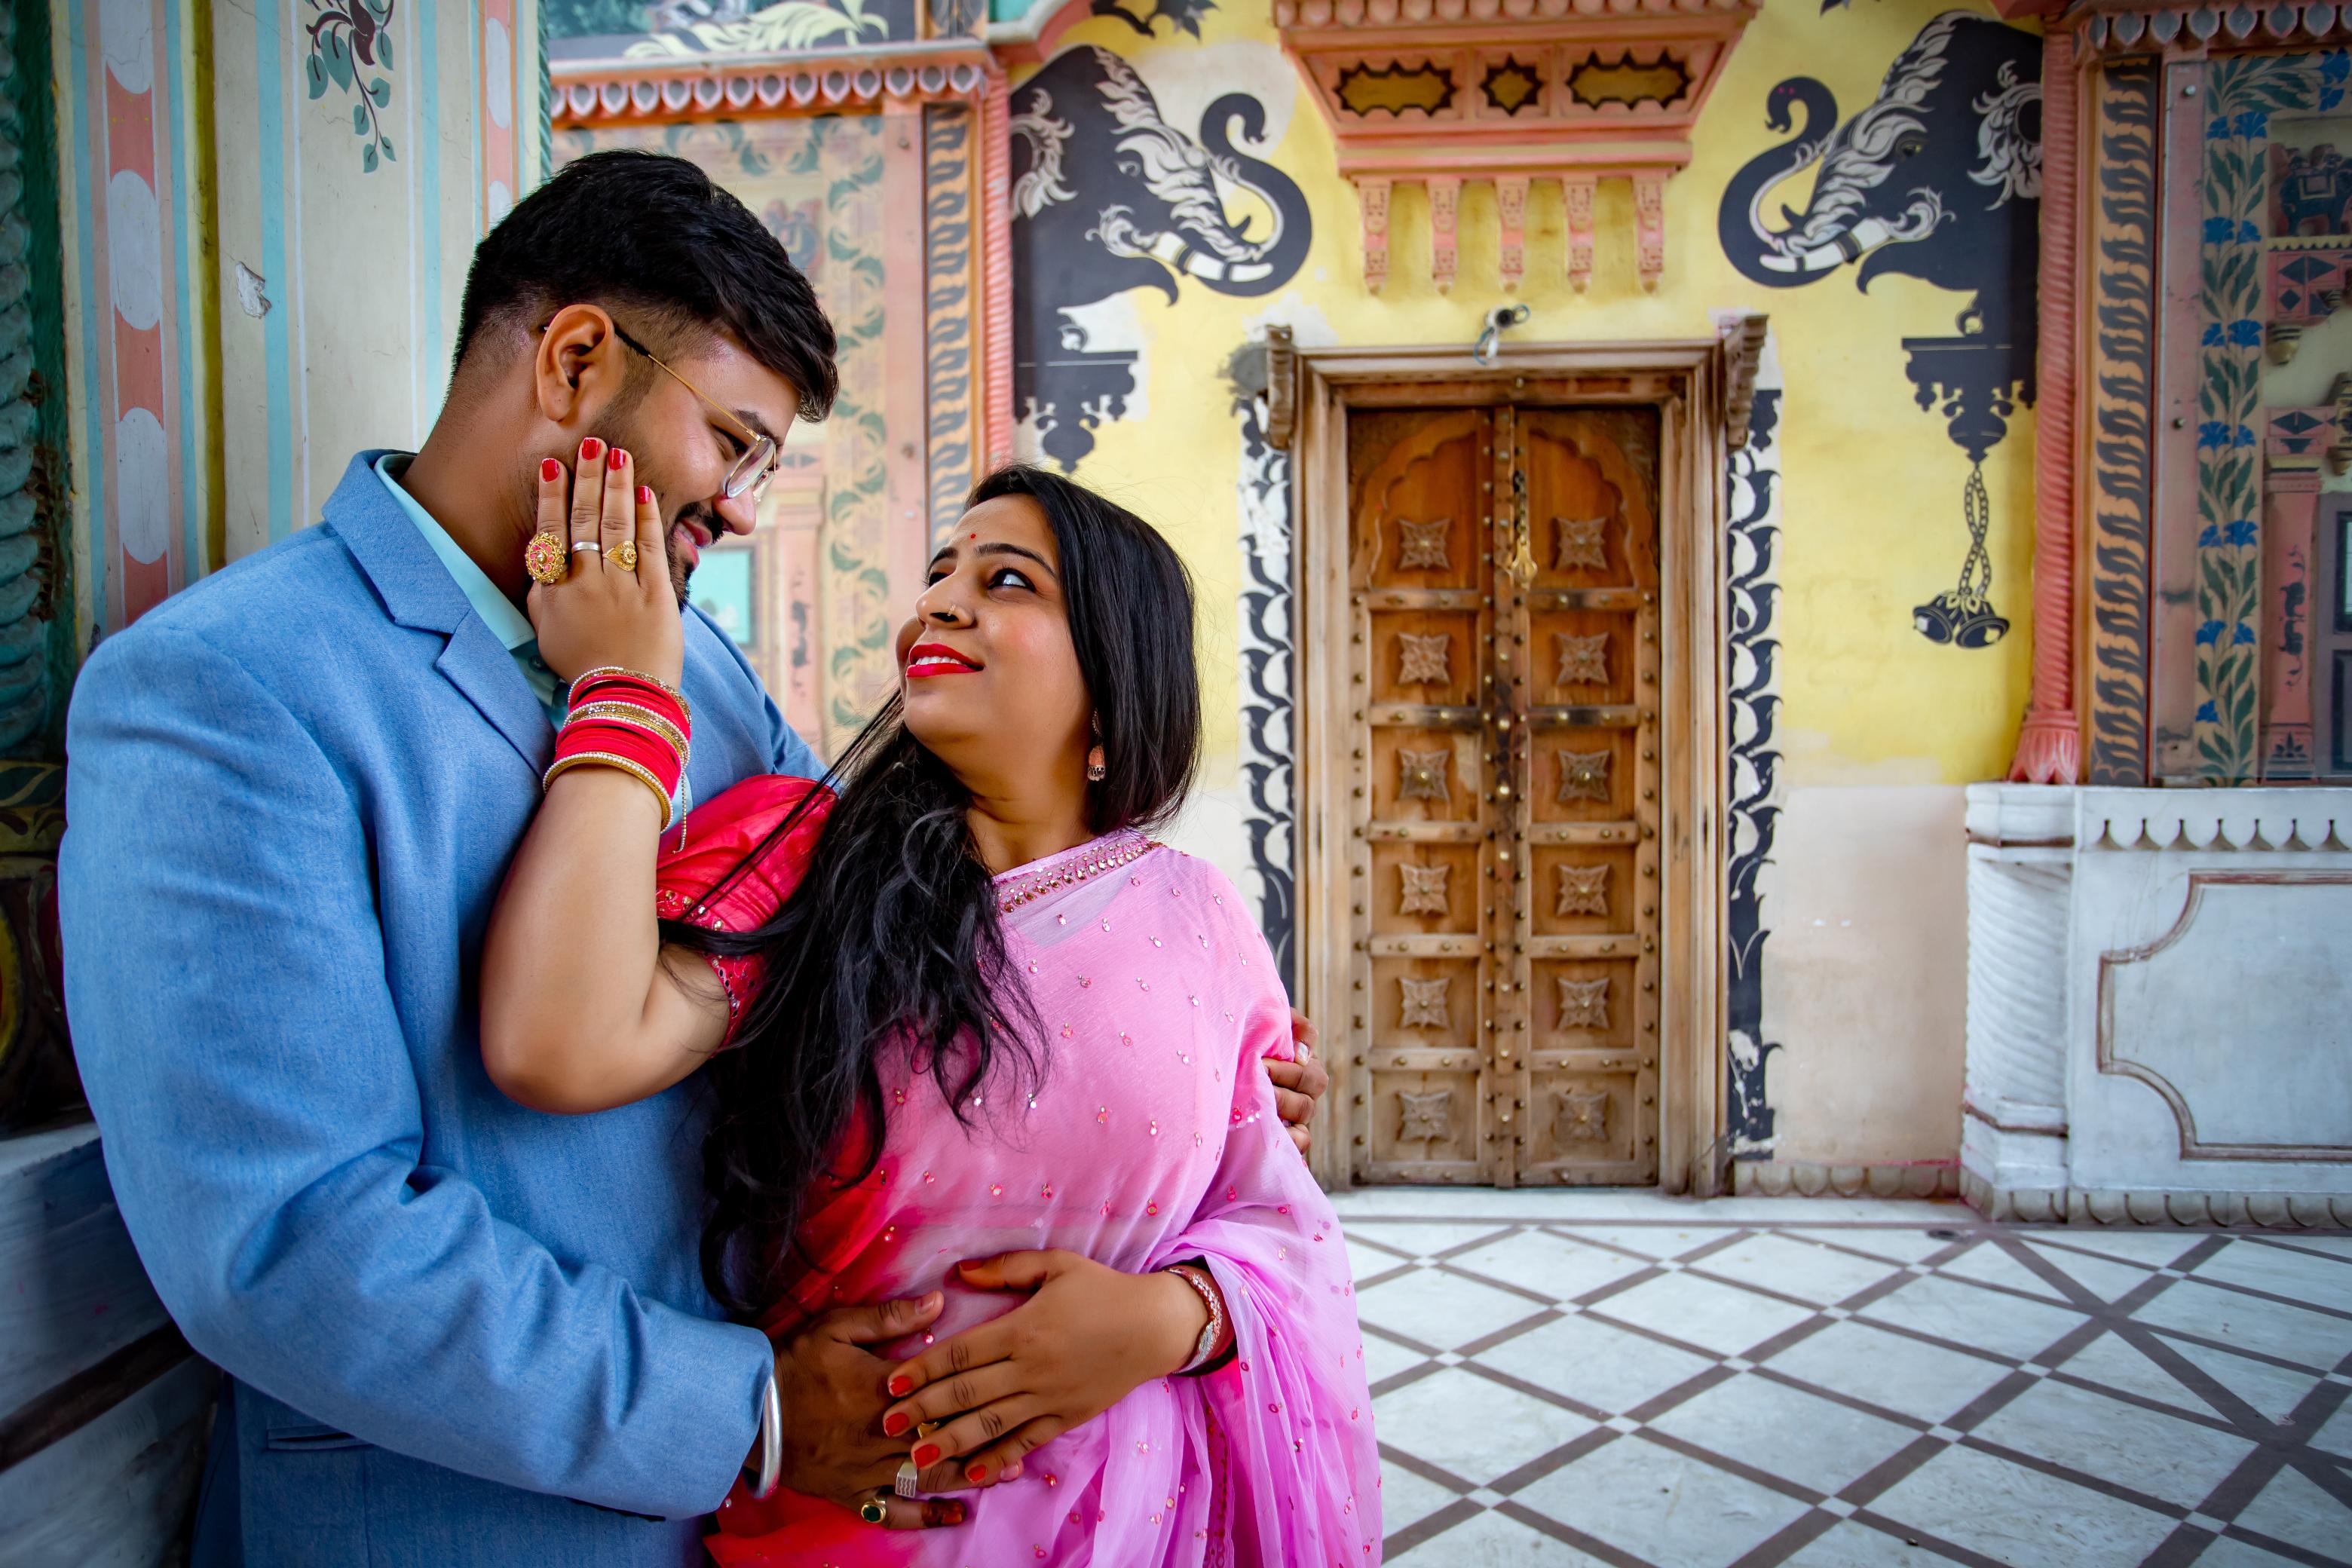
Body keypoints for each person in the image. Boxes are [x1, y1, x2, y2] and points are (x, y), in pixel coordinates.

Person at [58, 150, 1325, 1567]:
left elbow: (872, 922)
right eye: (732, 441)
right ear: (577, 362)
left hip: (768, 1521)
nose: (739, 509)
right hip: (460, 1524)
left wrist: (1178, 1058)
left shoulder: (705, 671)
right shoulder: (232, 691)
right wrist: (747, 1412)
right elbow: (290, 1246)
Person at [476, 460, 1380, 1564]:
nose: (940, 603)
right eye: (941, 573)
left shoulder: (1198, 918)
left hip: (1149, 1515)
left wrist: (1170, 1322)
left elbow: (1278, 1222)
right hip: (872, 1517)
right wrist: (623, 692)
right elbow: (557, 1046)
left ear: (1113, 684)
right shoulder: (810, 864)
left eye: (1008, 580)